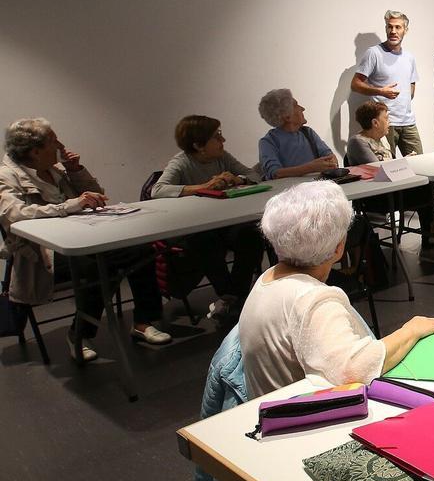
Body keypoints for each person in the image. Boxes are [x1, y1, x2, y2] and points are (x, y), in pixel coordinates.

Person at [239, 180, 434, 398]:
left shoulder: (267, 279)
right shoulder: (312, 300)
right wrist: (410, 331)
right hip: (303, 419)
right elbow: (355, 369)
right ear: (339, 248)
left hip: (270, 411)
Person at [1, 118, 171, 362]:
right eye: (53, 140)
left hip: (83, 235)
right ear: (35, 151)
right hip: (43, 253)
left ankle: (143, 322)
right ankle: (79, 334)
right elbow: (13, 214)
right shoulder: (7, 176)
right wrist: (70, 205)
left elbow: (98, 194)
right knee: (100, 266)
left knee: (141, 250)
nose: (60, 144)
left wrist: (76, 171)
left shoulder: (55, 171)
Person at [152, 115, 265, 319]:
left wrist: (237, 179)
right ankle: (232, 297)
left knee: (251, 234)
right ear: (198, 144)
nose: (223, 141)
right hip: (197, 227)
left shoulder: (222, 158)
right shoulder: (181, 162)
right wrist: (203, 187)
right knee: (204, 242)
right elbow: (157, 190)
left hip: (225, 222)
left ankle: (234, 296)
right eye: (217, 137)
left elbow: (254, 175)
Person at [346, 101, 434, 265]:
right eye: (386, 118)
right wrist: (402, 163)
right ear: (375, 122)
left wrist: (403, 163)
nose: (389, 122)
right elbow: (378, 169)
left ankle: (433, 236)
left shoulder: (382, 140)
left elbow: (390, 169)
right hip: (376, 196)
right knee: (424, 190)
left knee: (426, 185)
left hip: (392, 190)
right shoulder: (357, 142)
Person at [350, 10, 423, 158]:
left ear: (405, 30)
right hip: (384, 124)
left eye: (398, 27)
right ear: (385, 28)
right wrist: (380, 91)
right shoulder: (374, 53)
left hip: (408, 122)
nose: (393, 31)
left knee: (421, 165)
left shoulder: (409, 57)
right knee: (389, 170)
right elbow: (355, 84)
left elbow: (412, 84)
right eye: (390, 27)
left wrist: (405, 101)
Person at [256, 89, 339, 180]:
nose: (302, 108)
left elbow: (328, 155)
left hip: (317, 186)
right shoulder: (268, 142)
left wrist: (331, 161)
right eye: (296, 105)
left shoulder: (308, 133)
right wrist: (310, 168)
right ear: (287, 116)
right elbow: (275, 173)